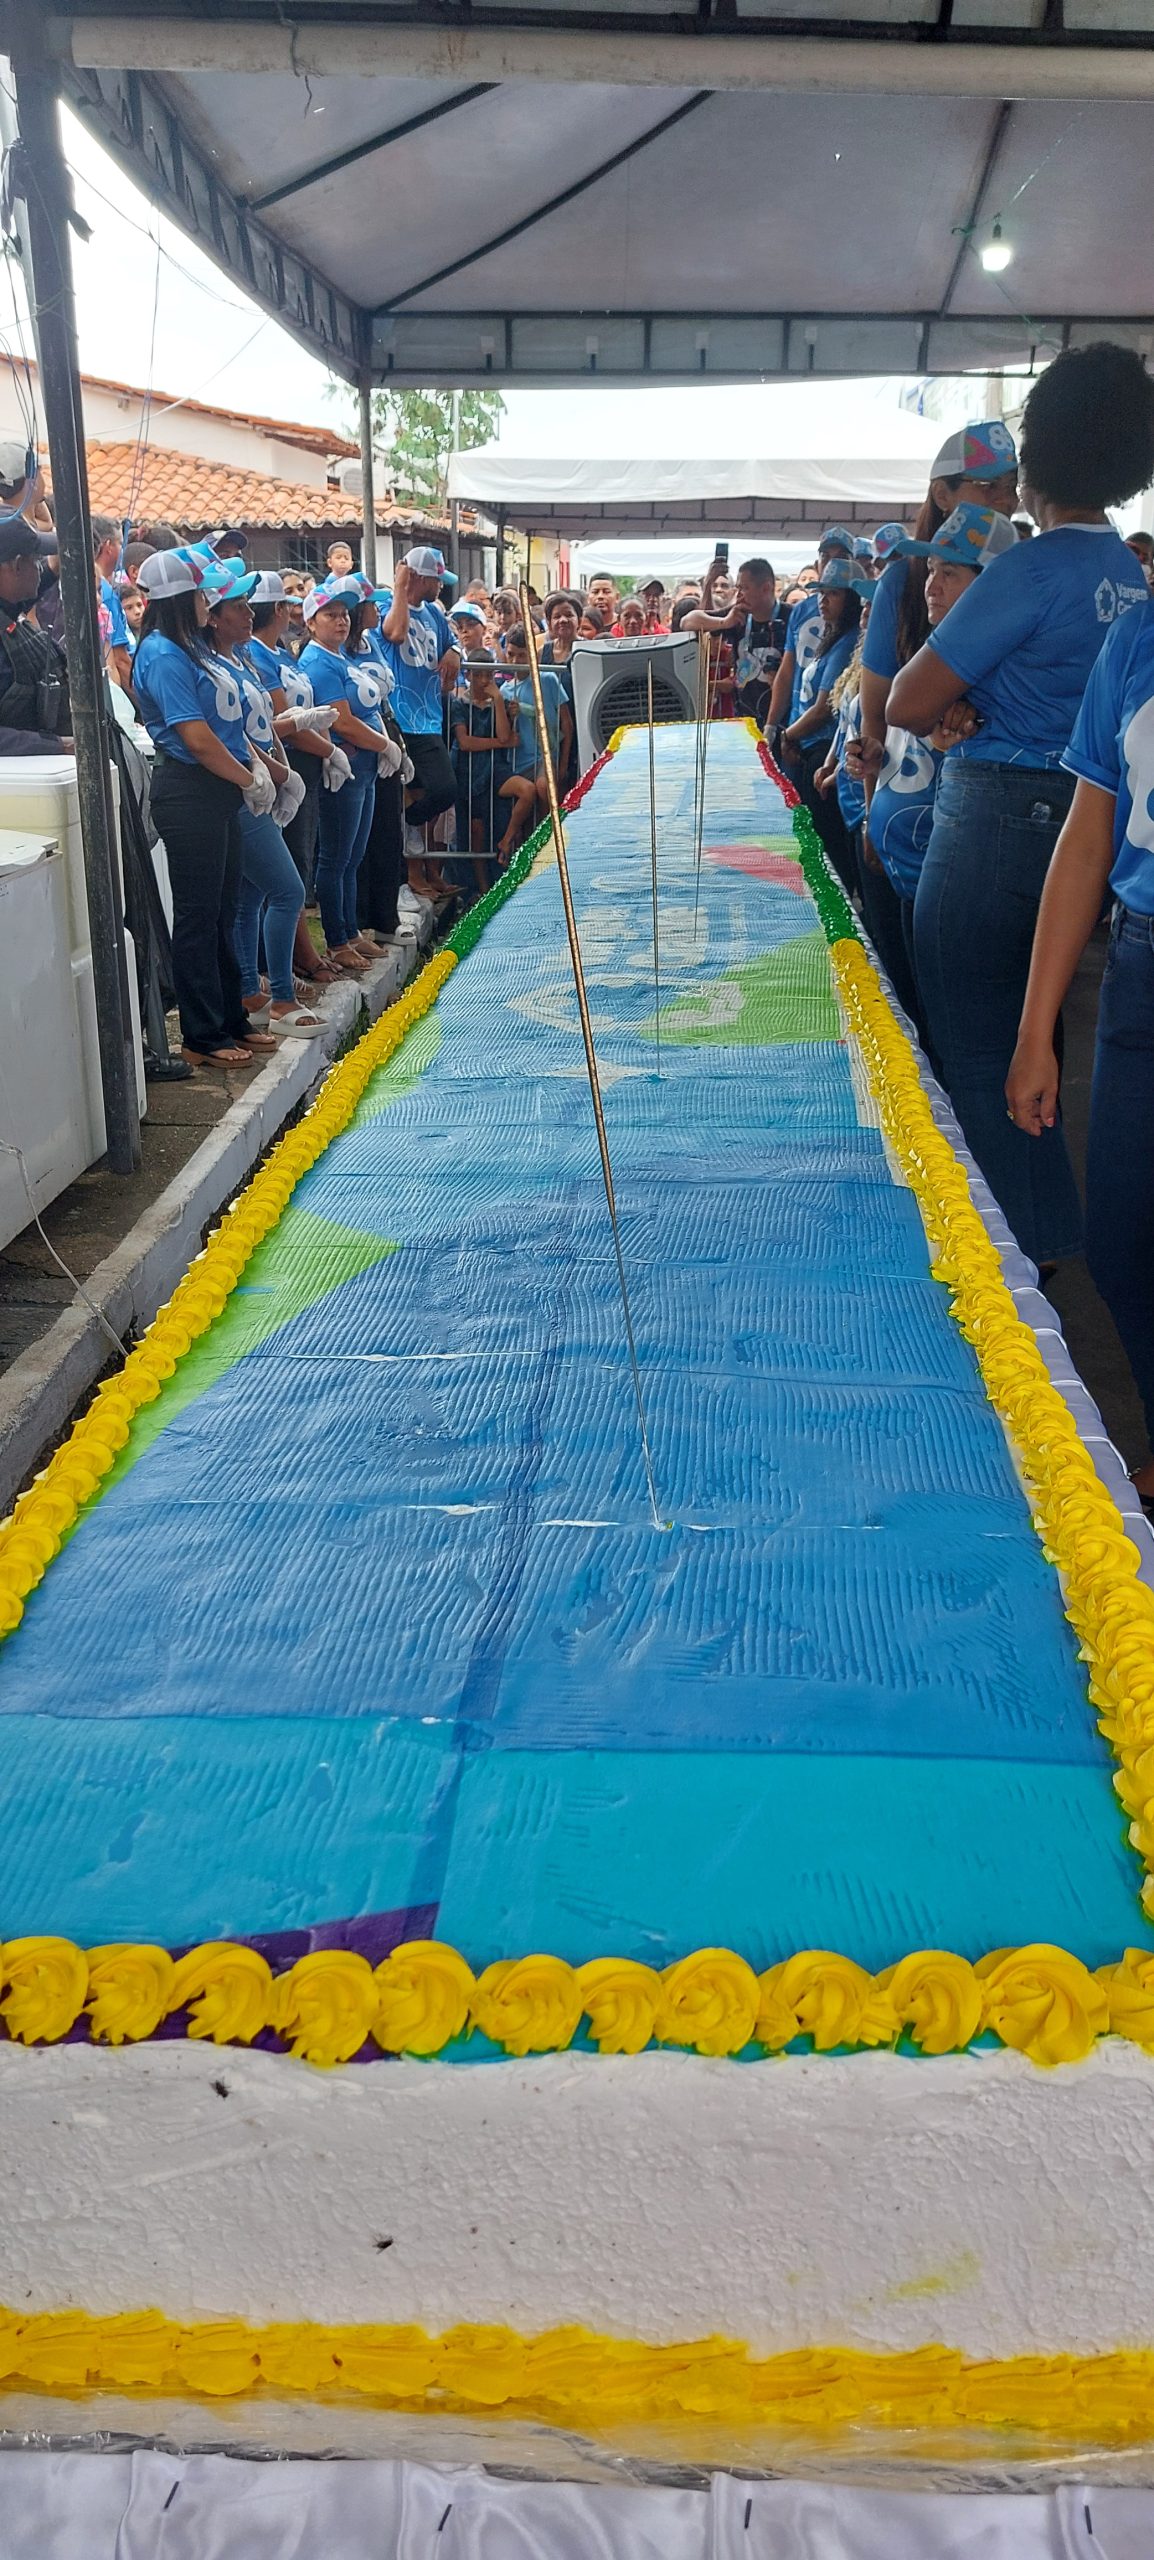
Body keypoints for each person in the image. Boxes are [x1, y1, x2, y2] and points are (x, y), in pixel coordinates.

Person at [889, 343, 1154, 1266]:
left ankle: (1008, 1265)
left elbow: (906, 701)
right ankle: (1045, 1242)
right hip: (1084, 824)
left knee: (974, 1049)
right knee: (1037, 1043)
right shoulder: (1127, 573)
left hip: (996, 822)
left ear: (1037, 462)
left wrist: (956, 706)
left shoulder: (1028, 570)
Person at [1006, 585, 1154, 1503]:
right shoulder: (1136, 637)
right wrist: (1036, 1031)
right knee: (1122, 1239)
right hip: (1142, 964)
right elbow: (1088, 836)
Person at [862, 506, 1015, 1034]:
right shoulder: (929, 656)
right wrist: (874, 760)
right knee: (916, 1019)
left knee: (958, 1033)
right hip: (908, 871)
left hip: (953, 883)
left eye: (950, 572)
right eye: (931, 570)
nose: (932, 584)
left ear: (990, 585)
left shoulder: (998, 667)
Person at [132, 548, 272, 1071]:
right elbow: (195, 737)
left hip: (215, 790)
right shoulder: (163, 654)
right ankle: (202, 1033)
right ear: (180, 599)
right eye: (199, 595)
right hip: (190, 790)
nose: (206, 603)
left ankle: (230, 1016)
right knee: (198, 915)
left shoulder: (187, 647)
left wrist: (249, 773)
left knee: (222, 911)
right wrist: (248, 778)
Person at [857, 422, 1019, 790]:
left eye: (1011, 487)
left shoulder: (1030, 580)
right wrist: (870, 812)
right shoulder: (901, 584)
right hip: (909, 796)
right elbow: (875, 716)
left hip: (990, 793)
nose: (1005, 500)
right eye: (988, 485)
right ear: (942, 494)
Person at [204, 560, 325, 1039]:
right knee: (288, 890)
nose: (249, 612)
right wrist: (274, 774)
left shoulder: (241, 659)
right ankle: (281, 997)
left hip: (263, 782)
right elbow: (228, 736)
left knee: (253, 895)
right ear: (213, 617)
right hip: (242, 791)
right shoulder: (211, 665)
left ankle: (249, 991)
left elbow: (257, 729)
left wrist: (283, 765)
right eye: (238, 605)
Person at [245, 571, 343, 989]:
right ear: (279, 610)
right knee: (284, 879)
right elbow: (272, 723)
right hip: (278, 767)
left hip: (295, 764)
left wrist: (323, 746)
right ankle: (282, 969)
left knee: (296, 866)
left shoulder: (279, 652)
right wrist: (326, 749)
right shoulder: (256, 654)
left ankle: (283, 964)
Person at [299, 580, 404, 971]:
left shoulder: (339, 656)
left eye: (344, 614)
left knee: (353, 856)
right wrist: (384, 745)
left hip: (365, 767)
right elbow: (341, 720)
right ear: (311, 622)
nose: (341, 621)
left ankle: (351, 931)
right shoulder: (319, 662)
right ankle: (337, 938)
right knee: (336, 857)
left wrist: (387, 747)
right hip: (347, 768)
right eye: (331, 615)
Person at [781, 559, 868, 889]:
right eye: (821, 593)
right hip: (816, 753)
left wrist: (786, 736)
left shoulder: (848, 643)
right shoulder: (833, 638)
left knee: (832, 848)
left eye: (833, 594)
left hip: (823, 751)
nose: (823, 600)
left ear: (852, 600)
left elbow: (822, 711)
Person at [377, 546, 460, 894]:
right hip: (400, 718)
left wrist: (454, 652)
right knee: (423, 791)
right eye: (437, 579)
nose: (441, 586)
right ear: (419, 578)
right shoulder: (386, 606)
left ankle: (417, 850)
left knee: (439, 791)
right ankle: (413, 870)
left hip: (429, 717)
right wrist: (400, 586)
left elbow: (453, 642)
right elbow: (395, 634)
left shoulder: (435, 613)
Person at [765, 527, 855, 740]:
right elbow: (787, 671)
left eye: (841, 557)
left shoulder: (860, 620)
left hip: (831, 736)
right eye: (826, 557)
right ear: (817, 564)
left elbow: (826, 706)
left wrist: (786, 737)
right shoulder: (801, 610)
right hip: (796, 727)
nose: (832, 563)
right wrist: (771, 725)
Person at [0, 514, 72, 756]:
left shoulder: (7, 610)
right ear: (16, 565)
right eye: (35, 559)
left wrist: (53, 570)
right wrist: (58, 746)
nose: (40, 567)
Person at [684, 555, 784, 728]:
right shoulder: (738, 614)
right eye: (738, 588)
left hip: (784, 719)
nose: (739, 595)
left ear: (766, 588)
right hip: (744, 720)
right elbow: (687, 621)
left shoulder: (791, 616)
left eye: (744, 588)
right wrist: (724, 622)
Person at [500, 622, 572, 853]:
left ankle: (548, 837)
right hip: (518, 761)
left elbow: (566, 724)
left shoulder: (548, 679)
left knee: (543, 787)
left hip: (545, 755)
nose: (516, 661)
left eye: (522, 655)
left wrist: (563, 763)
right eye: (511, 654)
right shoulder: (504, 690)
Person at [451, 650, 515, 876]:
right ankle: (480, 886)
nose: (483, 681)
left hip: (494, 771)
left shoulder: (500, 701)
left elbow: (505, 736)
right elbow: (465, 742)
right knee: (475, 831)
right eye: (478, 675)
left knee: (497, 824)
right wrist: (498, 743)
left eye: (488, 675)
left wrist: (497, 701)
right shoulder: (459, 704)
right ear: (468, 675)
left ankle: (501, 872)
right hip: (469, 774)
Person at [91, 513, 133, 692]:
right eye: (120, 544)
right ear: (108, 546)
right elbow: (119, 660)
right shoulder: (104, 593)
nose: (123, 551)